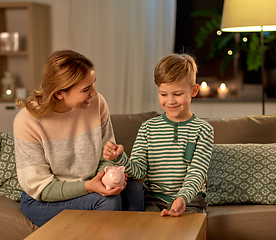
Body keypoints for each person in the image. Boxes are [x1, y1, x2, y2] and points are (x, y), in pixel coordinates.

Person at [13, 50, 144, 227]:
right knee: (107, 202)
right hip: (42, 199)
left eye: (93, 85)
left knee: (134, 189)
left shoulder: (97, 104)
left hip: (90, 184)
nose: (94, 93)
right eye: (86, 89)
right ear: (59, 93)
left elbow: (106, 156)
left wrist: (106, 178)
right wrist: (90, 186)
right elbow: (42, 188)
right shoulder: (27, 121)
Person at [104, 53, 214, 217]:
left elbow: (197, 172)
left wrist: (182, 197)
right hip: (153, 200)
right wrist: (119, 158)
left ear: (194, 90)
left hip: (190, 200)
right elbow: (138, 171)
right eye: (164, 94)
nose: (170, 101)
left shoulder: (204, 130)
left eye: (177, 94)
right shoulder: (148, 128)